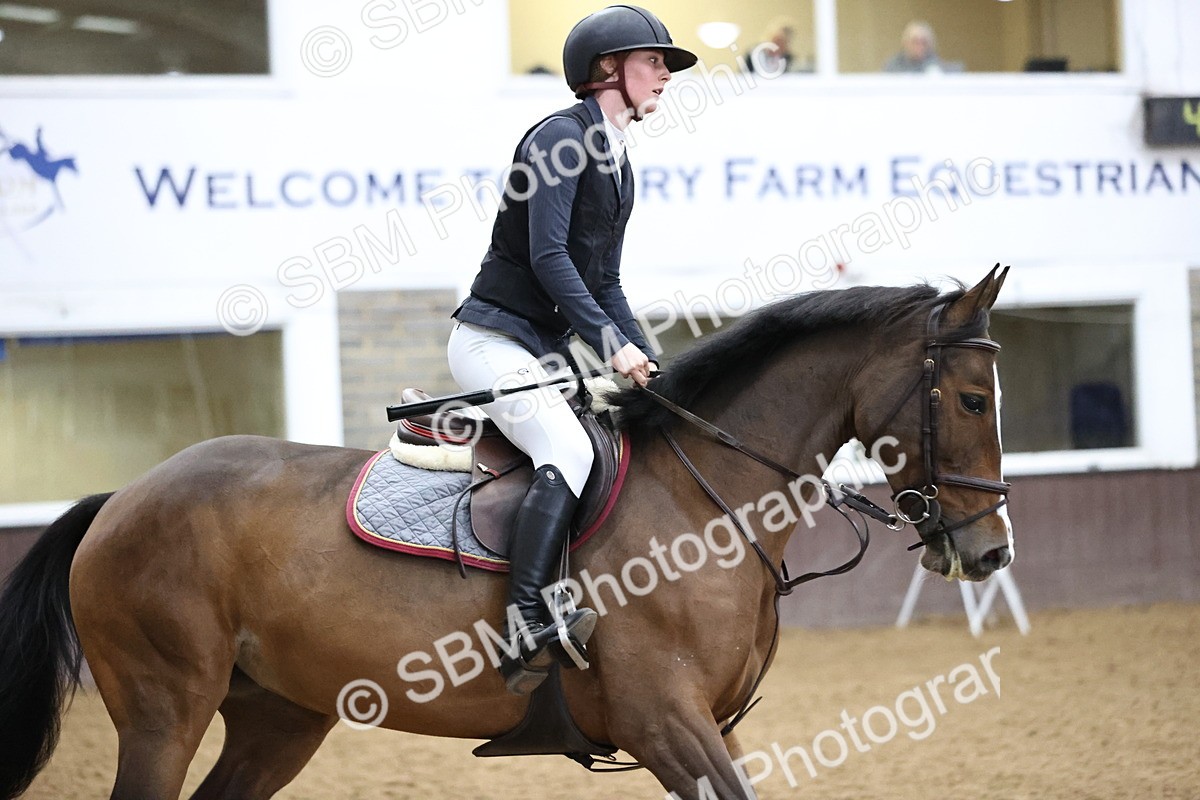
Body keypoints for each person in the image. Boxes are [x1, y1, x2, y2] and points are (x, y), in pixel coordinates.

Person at [446, 5, 696, 695]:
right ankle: (524, 619)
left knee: (614, 443)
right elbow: (549, 256)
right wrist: (610, 346)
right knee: (572, 449)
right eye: (655, 62)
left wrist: (647, 359)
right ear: (607, 69)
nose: (666, 76)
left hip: (543, 350)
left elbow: (606, 280)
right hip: (492, 338)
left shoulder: (620, 164)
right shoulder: (560, 138)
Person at [883, 20, 949, 73]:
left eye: (924, 42)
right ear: (905, 43)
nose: (920, 46)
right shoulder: (893, 66)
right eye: (915, 42)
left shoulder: (937, 65)